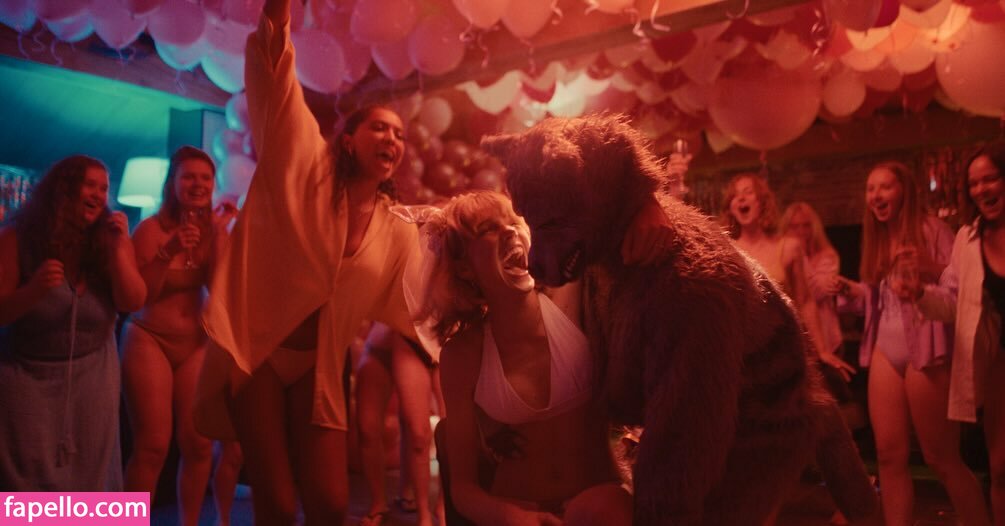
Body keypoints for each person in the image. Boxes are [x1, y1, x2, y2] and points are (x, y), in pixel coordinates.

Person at [423, 191, 633, 526]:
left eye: (514, 220)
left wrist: (649, 208)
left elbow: (605, 219)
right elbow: (463, 490)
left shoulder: (574, 296)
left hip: (598, 506)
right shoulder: (462, 355)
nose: (509, 230)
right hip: (516, 508)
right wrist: (515, 517)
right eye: (488, 229)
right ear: (464, 268)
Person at [835, 161, 990, 526]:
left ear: (904, 190)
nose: (876, 195)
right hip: (886, 349)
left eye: (885, 187)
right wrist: (851, 291)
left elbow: (960, 288)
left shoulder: (932, 229)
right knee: (888, 456)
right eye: (871, 189)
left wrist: (927, 269)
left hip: (927, 347)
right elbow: (879, 296)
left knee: (941, 458)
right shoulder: (877, 237)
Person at [0, 155, 146, 490]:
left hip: (93, 375)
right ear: (63, 190)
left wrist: (119, 249)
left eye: (104, 188)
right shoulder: (17, 238)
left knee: (93, 472)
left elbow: (134, 301)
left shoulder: (109, 239)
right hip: (27, 376)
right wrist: (33, 291)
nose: (98, 195)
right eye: (89, 185)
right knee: (27, 476)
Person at [121, 146, 240, 525]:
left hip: (195, 343)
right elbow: (140, 296)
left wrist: (218, 238)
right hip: (149, 337)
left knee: (200, 443)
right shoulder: (150, 229)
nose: (198, 184)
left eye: (206, 178)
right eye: (188, 176)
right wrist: (168, 249)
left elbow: (219, 293)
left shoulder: (213, 230)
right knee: (152, 446)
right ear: (172, 182)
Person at [912, 142, 1005, 523]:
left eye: (991, 179)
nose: (982, 189)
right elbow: (952, 304)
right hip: (999, 363)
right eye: (974, 184)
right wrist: (919, 294)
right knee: (1000, 468)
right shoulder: (968, 240)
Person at [722, 173, 856, 378]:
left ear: (762, 202)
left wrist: (822, 350)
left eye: (748, 192)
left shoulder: (788, 248)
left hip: (784, 349)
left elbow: (805, 301)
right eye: (735, 195)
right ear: (730, 208)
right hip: (746, 356)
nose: (740, 198)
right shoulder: (727, 251)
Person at [356, 322, 443, 526]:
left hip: (423, 341)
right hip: (384, 339)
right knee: (367, 428)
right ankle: (379, 503)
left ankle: (433, 504)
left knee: (419, 430)